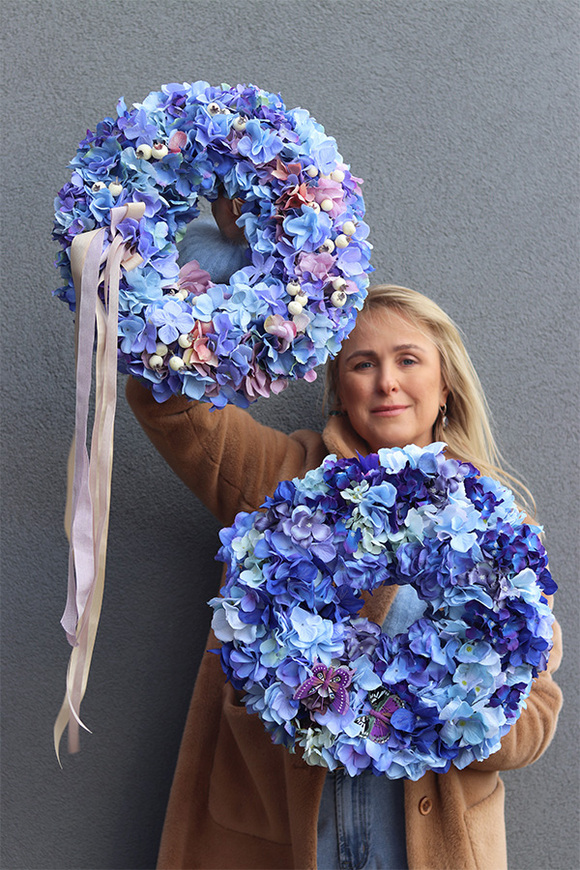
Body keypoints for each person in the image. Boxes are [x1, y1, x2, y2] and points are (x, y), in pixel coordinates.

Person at [126, 217, 562, 869]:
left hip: (424, 845)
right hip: (285, 841)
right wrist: (221, 275)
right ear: (342, 390)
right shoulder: (282, 479)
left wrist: (452, 710)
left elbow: (537, 718)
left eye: (408, 360)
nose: (386, 382)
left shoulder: (499, 526)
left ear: (444, 386)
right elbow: (170, 407)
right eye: (363, 363)